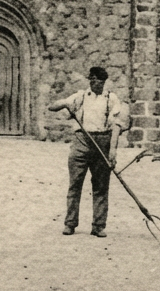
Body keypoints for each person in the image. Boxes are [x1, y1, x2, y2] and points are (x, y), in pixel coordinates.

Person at [47, 66, 128, 237]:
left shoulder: (111, 98)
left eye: (99, 81)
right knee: (75, 185)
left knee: (101, 186)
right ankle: (70, 224)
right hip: (81, 141)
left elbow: (116, 126)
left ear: (104, 82)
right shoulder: (81, 96)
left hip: (103, 142)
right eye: (93, 80)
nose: (95, 83)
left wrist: (113, 150)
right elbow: (52, 107)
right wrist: (65, 104)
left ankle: (98, 226)